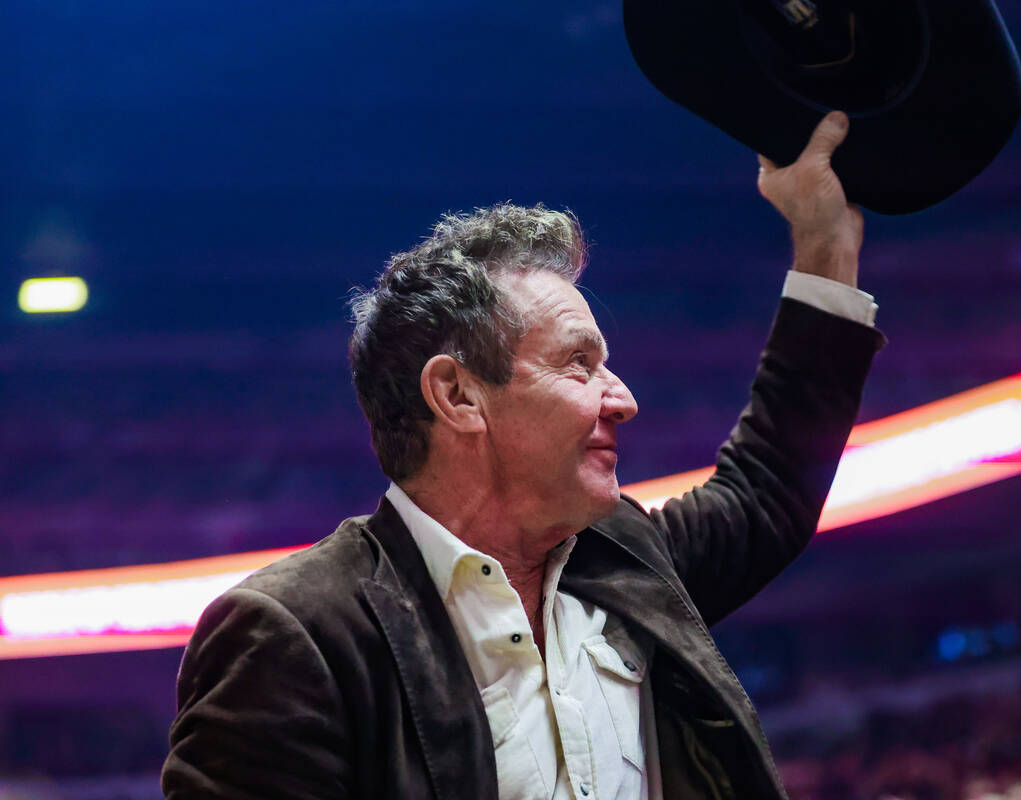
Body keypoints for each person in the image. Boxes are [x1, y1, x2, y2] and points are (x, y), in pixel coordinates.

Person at [162, 111, 885, 799]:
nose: (623, 399)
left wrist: (825, 243)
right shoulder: (296, 632)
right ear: (457, 395)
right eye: (580, 364)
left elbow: (768, 490)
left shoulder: (624, 557)